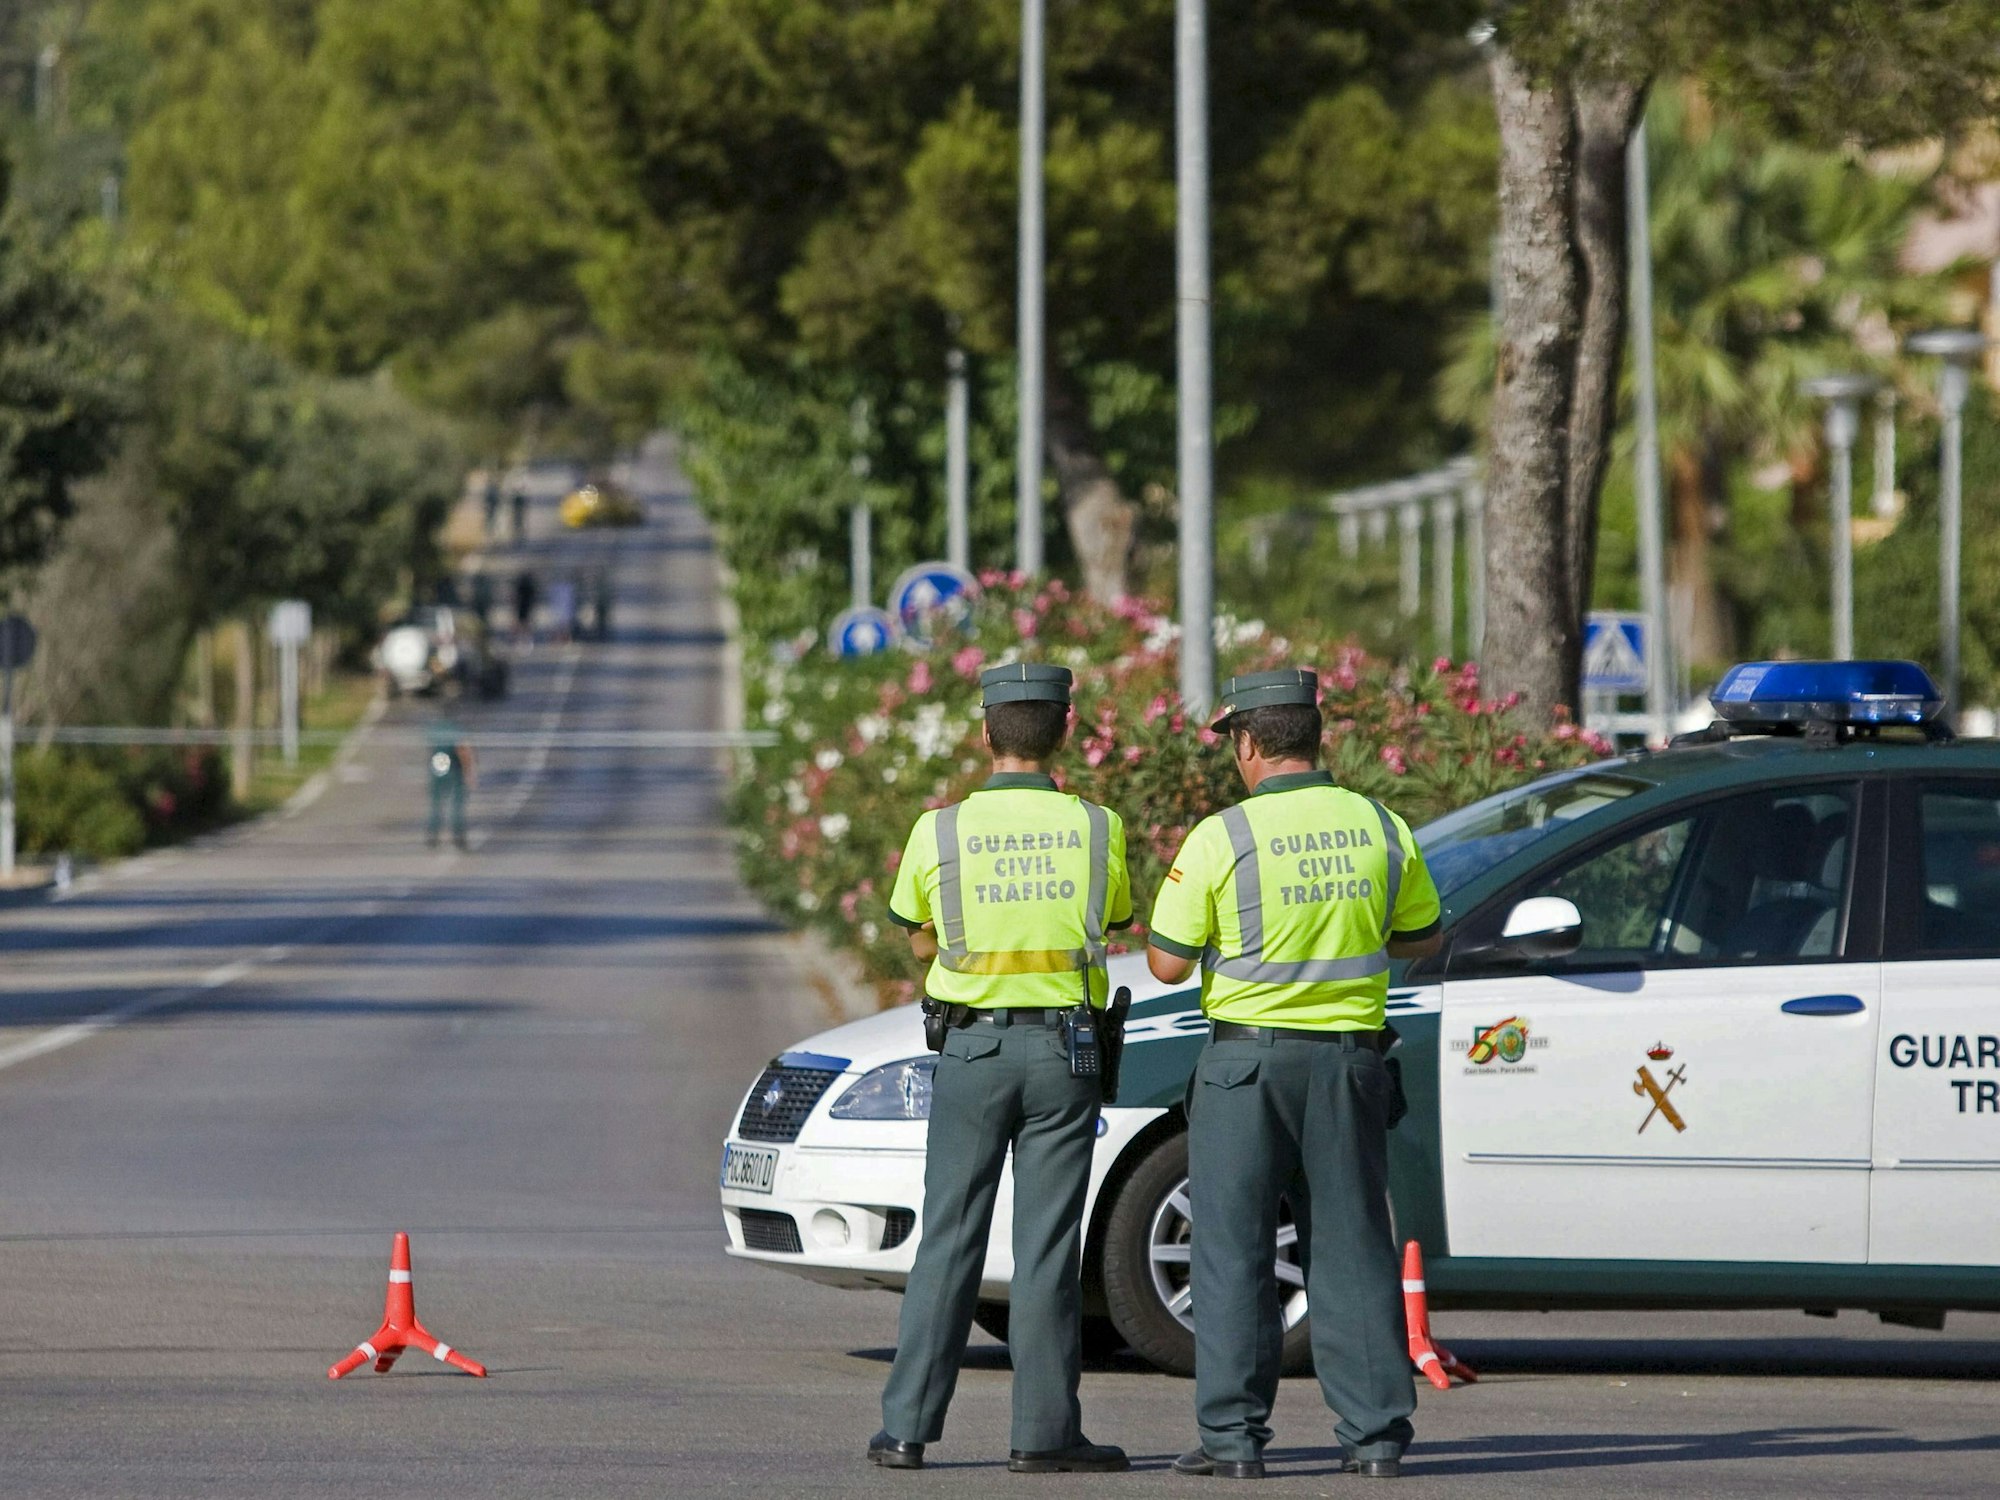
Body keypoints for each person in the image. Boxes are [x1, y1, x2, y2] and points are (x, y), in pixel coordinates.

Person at [1147, 668, 1443, 1482]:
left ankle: (1234, 1442)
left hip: (1247, 1066)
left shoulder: (1222, 837)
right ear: (1319, 739)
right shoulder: (1381, 826)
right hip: (1350, 1066)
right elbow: (1422, 935)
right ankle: (1376, 1437)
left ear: (1247, 743)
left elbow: (1167, 965)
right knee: (1352, 1246)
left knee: (1232, 1249)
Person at [870, 663, 1133, 1476]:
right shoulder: (1099, 826)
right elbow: (1116, 923)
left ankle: (907, 1430)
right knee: (1047, 1243)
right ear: (1065, 731)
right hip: (1066, 1054)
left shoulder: (937, 831)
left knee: (947, 1236)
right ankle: (1044, 1434)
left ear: (985, 734)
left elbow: (914, 931)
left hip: (972, 1052)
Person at [425, 718, 477, 850]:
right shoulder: (457, 731)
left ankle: (433, 834)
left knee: (436, 803)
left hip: (439, 767)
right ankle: (458, 835)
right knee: (457, 804)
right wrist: (468, 772)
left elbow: (431, 750)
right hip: (454, 769)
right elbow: (463, 750)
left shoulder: (435, 731)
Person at [512, 570, 539, 647]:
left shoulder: (524, 586)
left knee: (524, 624)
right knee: (524, 624)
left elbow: (516, 597)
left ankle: (523, 640)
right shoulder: (528, 586)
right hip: (525, 606)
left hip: (524, 606)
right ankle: (524, 640)